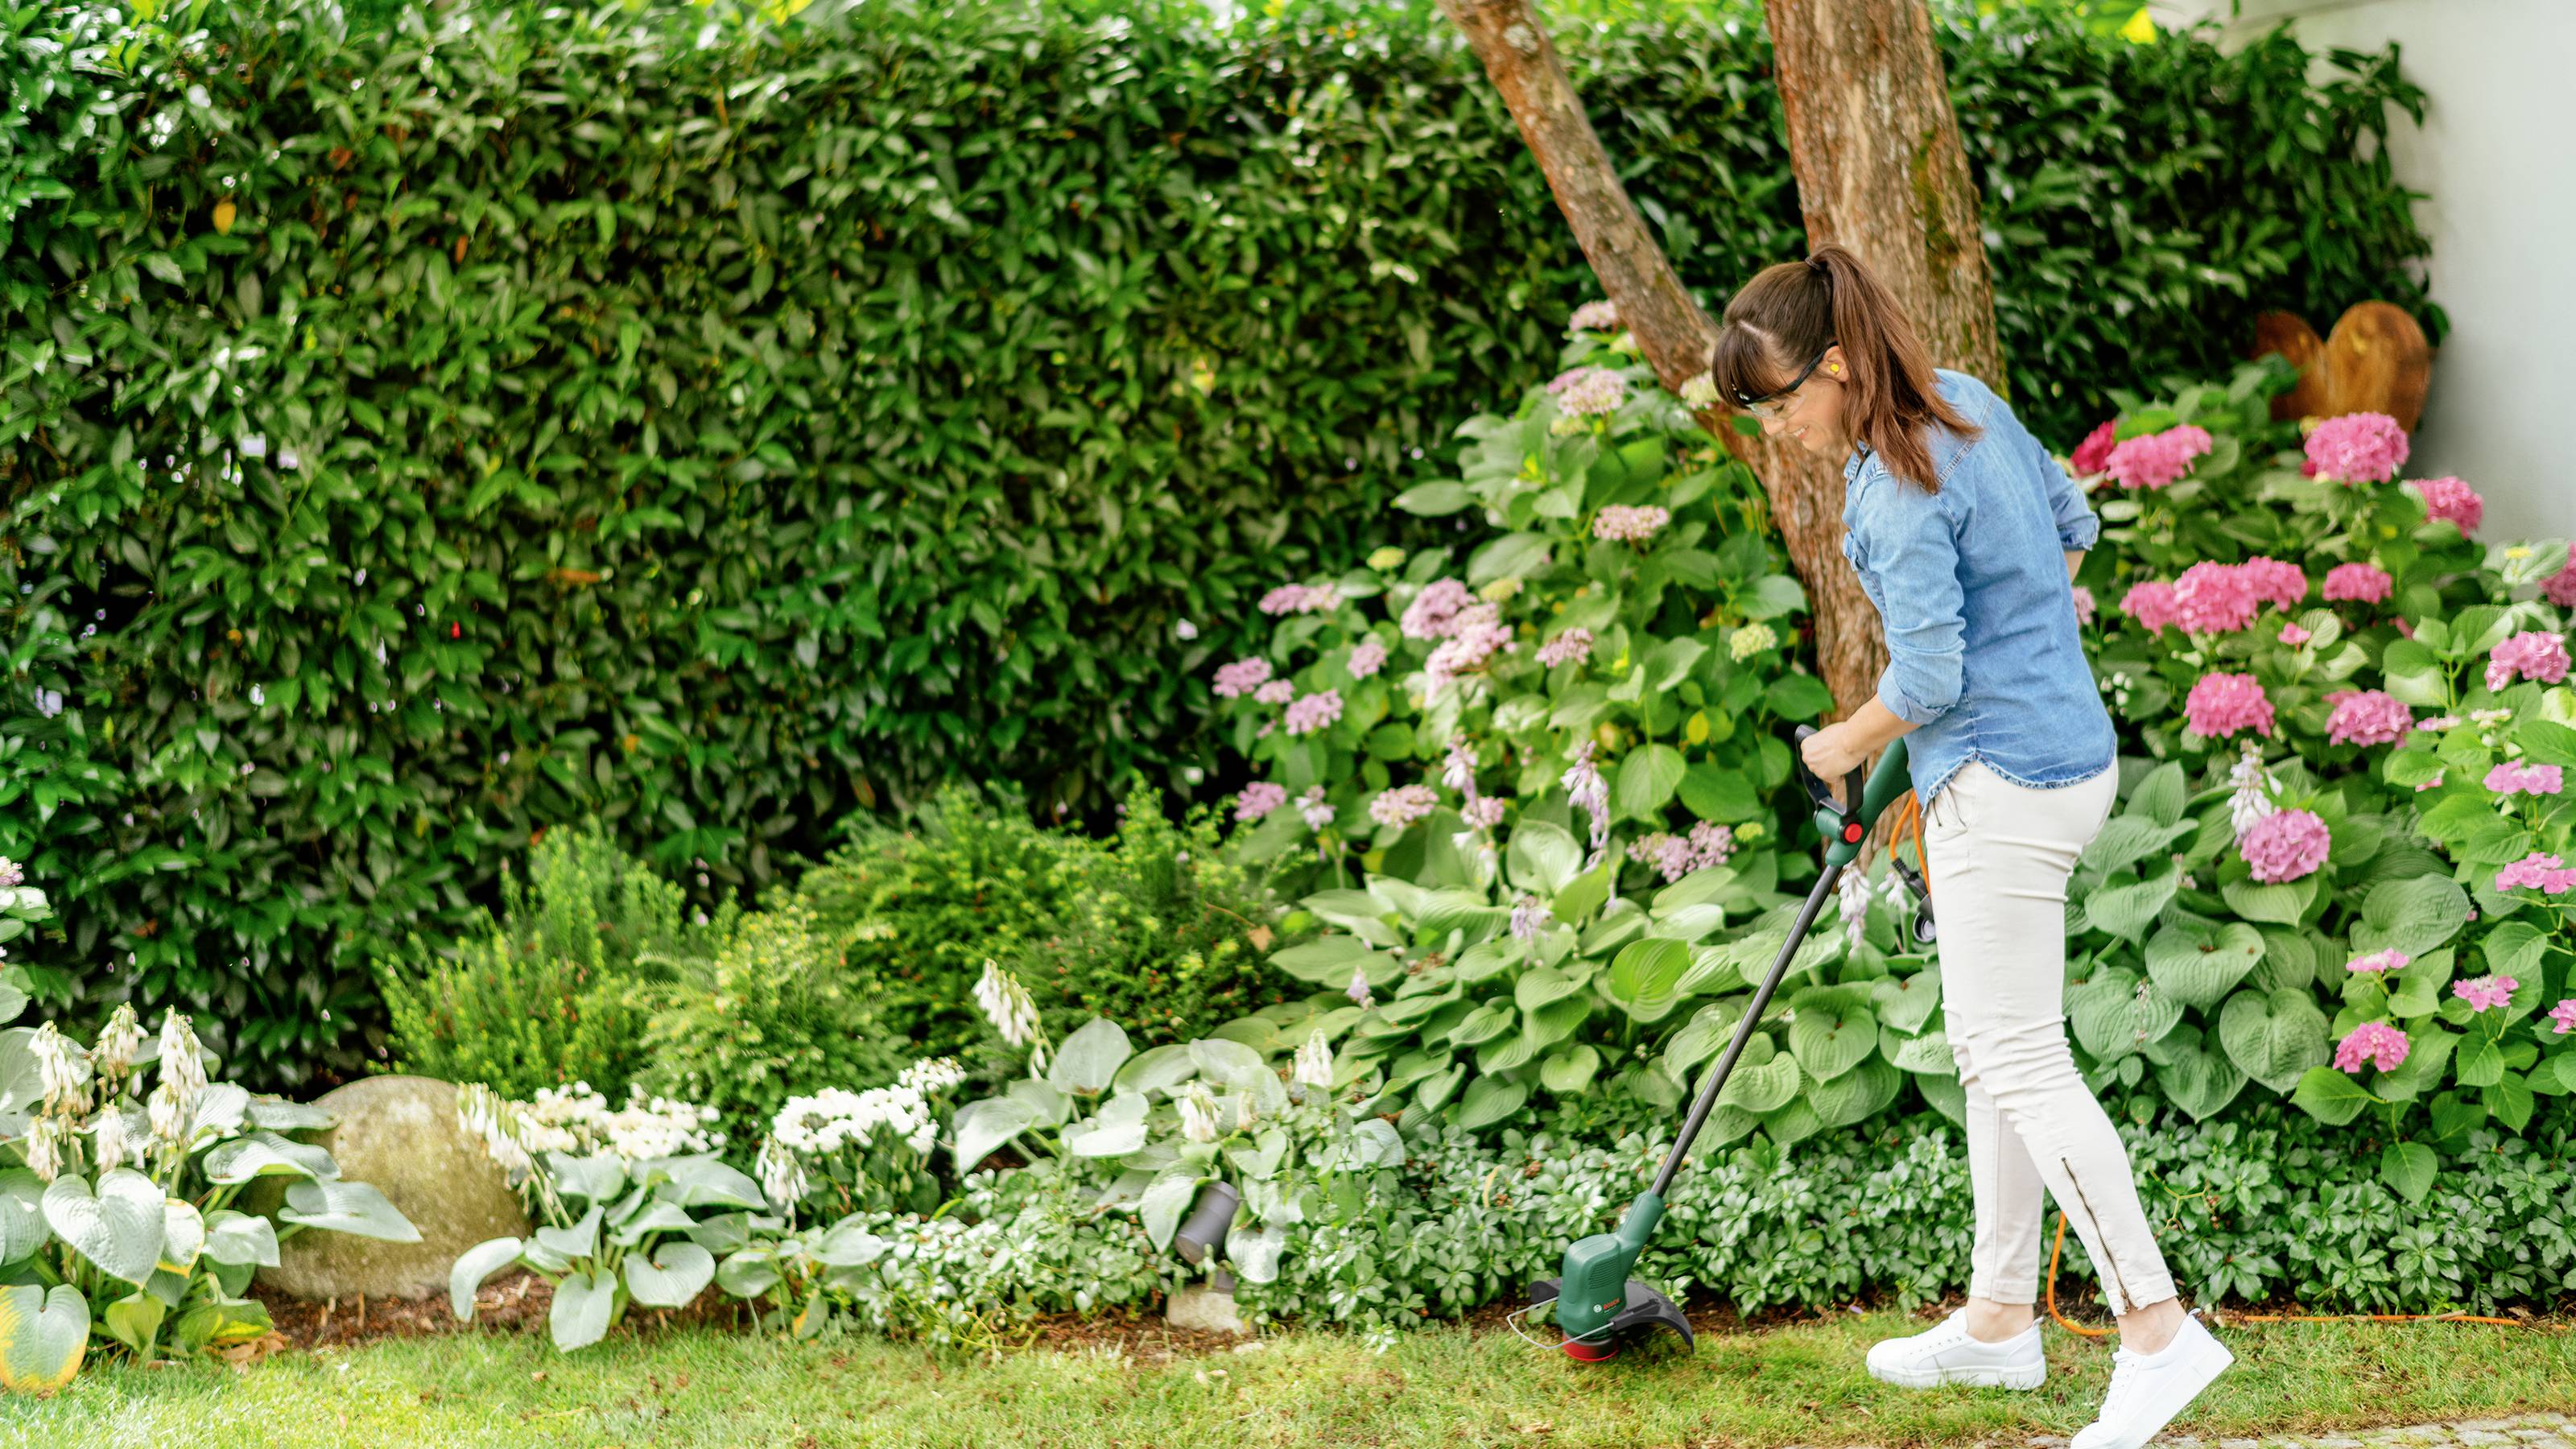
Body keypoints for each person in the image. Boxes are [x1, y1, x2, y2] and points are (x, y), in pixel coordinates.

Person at [1707, 246, 2231, 1449]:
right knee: (1992, 1050)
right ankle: (2000, 1319)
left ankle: (2156, 1332)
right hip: (2068, 758)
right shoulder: (1968, 401)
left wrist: (1847, 740)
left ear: (1836, 368)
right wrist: (2023, 656)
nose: (1778, 428)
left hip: (2000, 786)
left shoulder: (1891, 489)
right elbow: (2074, 529)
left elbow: (1932, 676)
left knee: (2018, 1054)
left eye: (1783, 401)